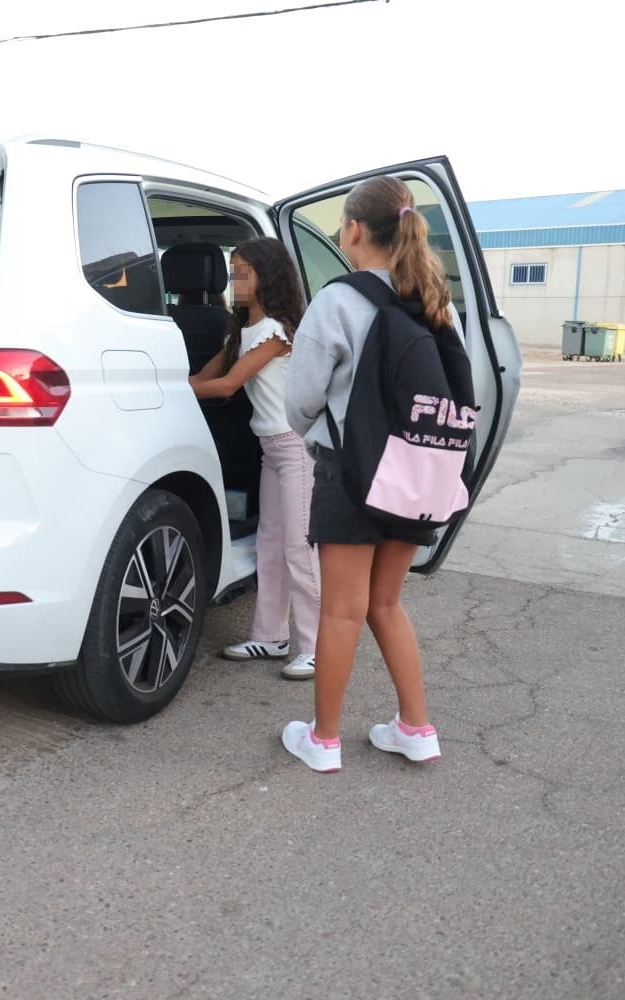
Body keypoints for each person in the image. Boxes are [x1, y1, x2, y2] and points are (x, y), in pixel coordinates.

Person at [280, 176, 460, 772]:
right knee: (386, 603)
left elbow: (301, 400)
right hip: (417, 471)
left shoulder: (337, 300)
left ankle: (324, 740)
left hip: (352, 472)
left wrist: (316, 438)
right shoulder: (435, 298)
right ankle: (416, 728)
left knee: (341, 609)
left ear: (354, 230)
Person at [190, 237, 320, 679]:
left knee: (298, 548)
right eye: (231, 272)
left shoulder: (277, 333)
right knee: (268, 544)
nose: (234, 280)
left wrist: (172, 389)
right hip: (270, 450)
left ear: (268, 277)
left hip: (294, 449)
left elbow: (225, 386)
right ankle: (269, 636)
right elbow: (203, 376)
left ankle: (315, 646)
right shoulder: (241, 331)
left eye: (242, 272)